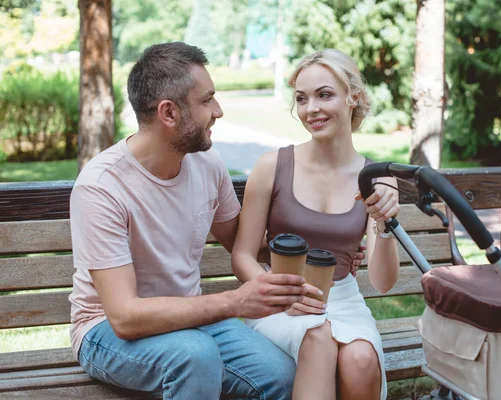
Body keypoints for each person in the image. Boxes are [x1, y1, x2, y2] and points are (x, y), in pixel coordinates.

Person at [68, 42, 311, 399]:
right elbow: (124, 317)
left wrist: (330, 246)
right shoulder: (102, 187)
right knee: (195, 358)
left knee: (281, 374)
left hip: (192, 320)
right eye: (207, 100)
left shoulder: (207, 165)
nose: (219, 110)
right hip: (105, 332)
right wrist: (235, 302)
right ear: (169, 113)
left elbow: (243, 243)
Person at [231, 49, 401, 400]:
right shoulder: (272, 166)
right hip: (278, 299)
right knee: (318, 334)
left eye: (325, 95)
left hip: (343, 299)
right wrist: (279, 292)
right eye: (302, 99)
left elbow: (383, 283)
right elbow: (243, 255)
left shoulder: (376, 178)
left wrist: (384, 222)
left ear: (353, 96)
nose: (311, 109)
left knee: (360, 359)